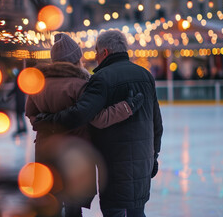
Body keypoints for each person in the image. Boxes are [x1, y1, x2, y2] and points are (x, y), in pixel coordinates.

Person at [34, 30, 163, 217]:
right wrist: (154, 155)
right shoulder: (145, 76)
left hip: (113, 165)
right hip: (143, 162)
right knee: (137, 211)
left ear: (105, 52)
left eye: (96, 51)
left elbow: (80, 115)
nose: (94, 56)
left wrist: (48, 121)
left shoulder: (101, 78)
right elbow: (157, 124)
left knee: (114, 211)